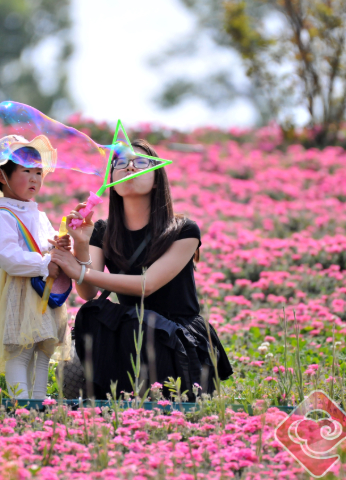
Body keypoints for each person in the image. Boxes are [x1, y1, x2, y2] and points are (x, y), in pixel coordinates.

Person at [50, 138, 233, 401]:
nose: (130, 168)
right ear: (111, 177)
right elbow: (88, 292)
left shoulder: (183, 230)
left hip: (175, 337)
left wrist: (78, 270)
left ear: (157, 178)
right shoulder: (103, 230)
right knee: (94, 313)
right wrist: (81, 244)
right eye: (121, 163)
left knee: (141, 325)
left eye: (141, 162)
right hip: (132, 332)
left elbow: (148, 284)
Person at [0, 134, 72, 399]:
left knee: (43, 351)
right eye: (26, 171)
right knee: (20, 350)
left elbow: (49, 244)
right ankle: (22, 406)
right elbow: (9, 257)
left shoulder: (38, 215)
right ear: (2, 176)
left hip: (42, 289)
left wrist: (62, 246)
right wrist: (45, 263)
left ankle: (38, 403)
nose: (34, 178)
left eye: (39, 172)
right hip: (21, 291)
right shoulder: (4, 217)